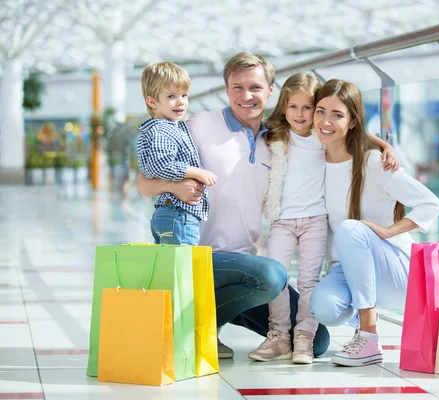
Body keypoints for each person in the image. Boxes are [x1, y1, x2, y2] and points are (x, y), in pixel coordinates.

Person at [136, 53, 330, 359]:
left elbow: (341, 135)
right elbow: (143, 183)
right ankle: (201, 330)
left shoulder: (278, 141)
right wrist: (173, 185)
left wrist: (382, 146)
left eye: (254, 87)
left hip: (243, 266)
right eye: (237, 87)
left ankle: (219, 312)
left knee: (317, 342)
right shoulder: (198, 126)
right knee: (270, 275)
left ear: (270, 91)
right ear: (227, 90)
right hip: (198, 258)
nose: (246, 96)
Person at [251, 72, 399, 364]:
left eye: (308, 108)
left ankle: (304, 336)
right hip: (281, 220)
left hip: (315, 220)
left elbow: (355, 134)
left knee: (308, 281)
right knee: (277, 278)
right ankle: (279, 336)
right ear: (283, 106)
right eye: (293, 107)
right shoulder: (275, 135)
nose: (300, 114)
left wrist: (386, 147)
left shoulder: (321, 138)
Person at [309, 79, 439, 367]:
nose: (326, 121)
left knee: (351, 228)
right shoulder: (315, 158)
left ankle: (369, 336)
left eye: (337, 115)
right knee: (325, 309)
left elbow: (431, 203)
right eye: (320, 111)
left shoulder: (373, 162)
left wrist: (388, 231)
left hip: (395, 268)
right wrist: (384, 142)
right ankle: (362, 314)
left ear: (353, 121)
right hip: (349, 268)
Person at [137, 61, 217, 245]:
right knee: (182, 270)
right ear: (152, 101)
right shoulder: (162, 130)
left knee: (172, 268)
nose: (181, 101)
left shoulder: (169, 127)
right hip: (178, 214)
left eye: (184, 95)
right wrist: (197, 172)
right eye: (171, 96)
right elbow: (160, 166)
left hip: (173, 215)